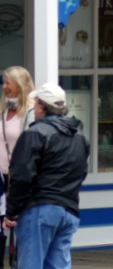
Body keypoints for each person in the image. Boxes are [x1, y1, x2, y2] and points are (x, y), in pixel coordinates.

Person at [3, 83, 89, 269]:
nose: (34, 107)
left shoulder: (34, 133)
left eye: (36, 103)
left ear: (42, 106)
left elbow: (22, 177)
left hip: (39, 209)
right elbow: (81, 172)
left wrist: (11, 211)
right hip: (69, 209)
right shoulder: (80, 136)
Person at [0, 68, 35, 258]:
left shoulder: (30, 112)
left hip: (19, 179)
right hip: (1, 178)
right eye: (3, 82)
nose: (4, 87)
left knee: (20, 226)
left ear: (19, 85)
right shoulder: (2, 110)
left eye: (8, 83)